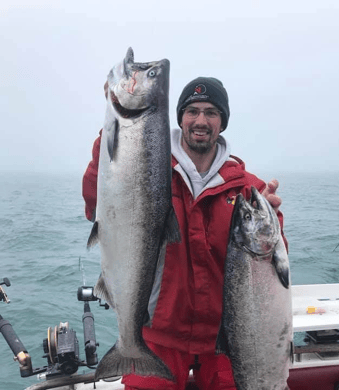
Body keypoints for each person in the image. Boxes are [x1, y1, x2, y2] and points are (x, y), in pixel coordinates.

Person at [82, 77, 287, 390]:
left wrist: (272, 220)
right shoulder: (145, 170)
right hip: (158, 334)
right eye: (192, 111)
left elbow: (273, 268)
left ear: (223, 122)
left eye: (211, 112)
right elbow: (97, 202)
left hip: (226, 338)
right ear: (180, 118)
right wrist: (115, 129)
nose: (201, 121)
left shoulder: (249, 190)